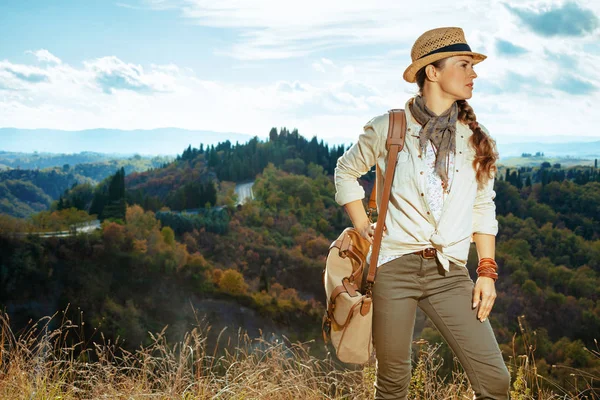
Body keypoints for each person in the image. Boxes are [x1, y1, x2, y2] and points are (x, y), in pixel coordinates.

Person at [333, 27, 511, 400]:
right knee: (393, 386)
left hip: (449, 272)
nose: (473, 73)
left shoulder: (476, 137)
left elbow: (483, 207)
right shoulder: (389, 127)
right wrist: (362, 223)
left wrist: (487, 271)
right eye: (463, 64)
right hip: (393, 268)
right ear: (432, 71)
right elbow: (346, 170)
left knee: (495, 382)